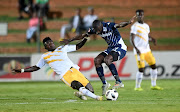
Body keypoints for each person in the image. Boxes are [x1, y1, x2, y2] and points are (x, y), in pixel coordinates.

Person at [60, 16, 136, 95]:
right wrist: (70, 40)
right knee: (97, 60)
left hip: (120, 48)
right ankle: (104, 83)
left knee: (107, 59)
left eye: (98, 30)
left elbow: (119, 25)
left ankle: (118, 81)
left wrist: (128, 22)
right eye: (96, 31)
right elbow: (83, 35)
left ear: (101, 26)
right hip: (111, 48)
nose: (97, 32)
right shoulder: (95, 30)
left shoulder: (108, 25)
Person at [12, 37, 102, 101]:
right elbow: (36, 67)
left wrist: (85, 38)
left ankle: (80, 94)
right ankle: (97, 98)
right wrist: (22, 70)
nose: (51, 44)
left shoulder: (62, 48)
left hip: (74, 70)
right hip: (65, 75)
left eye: (51, 42)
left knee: (91, 90)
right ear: (45, 47)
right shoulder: (45, 56)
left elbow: (77, 46)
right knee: (78, 85)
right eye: (48, 44)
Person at [130, 9, 163, 91]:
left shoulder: (146, 26)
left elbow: (146, 36)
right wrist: (136, 48)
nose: (140, 16)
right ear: (136, 16)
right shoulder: (135, 26)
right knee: (141, 69)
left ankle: (153, 85)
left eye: (141, 15)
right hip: (139, 51)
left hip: (147, 50)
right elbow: (132, 38)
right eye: (138, 15)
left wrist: (152, 39)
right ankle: (137, 87)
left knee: (154, 66)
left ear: (143, 15)